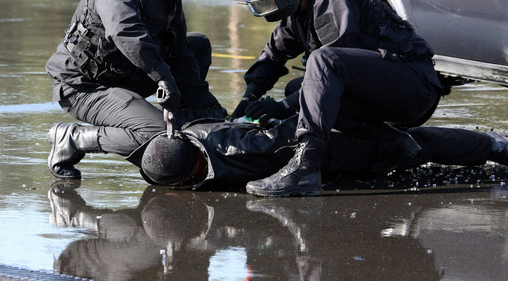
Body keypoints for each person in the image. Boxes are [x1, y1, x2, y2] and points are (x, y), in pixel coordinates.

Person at [229, 0, 443, 196]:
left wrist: (283, 107)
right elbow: (273, 56)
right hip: (386, 87)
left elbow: (332, 69)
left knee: (320, 66)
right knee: (297, 88)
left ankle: (305, 169)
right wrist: (247, 99)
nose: (269, 8)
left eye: (271, 0)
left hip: (413, 86)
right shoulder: (299, 10)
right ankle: (392, 142)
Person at [45, 0, 225, 180]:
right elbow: (127, 34)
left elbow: (180, 53)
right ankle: (74, 138)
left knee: (196, 46)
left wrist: (210, 109)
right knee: (153, 134)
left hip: (126, 74)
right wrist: (164, 77)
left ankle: (187, 125)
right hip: (86, 87)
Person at [126, 114, 508, 192]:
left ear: (193, 170)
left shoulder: (239, 148)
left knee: (419, 145)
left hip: (333, 148)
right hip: (318, 149)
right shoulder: (183, 141)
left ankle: (495, 146)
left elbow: (294, 128)